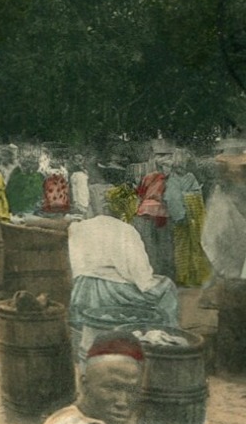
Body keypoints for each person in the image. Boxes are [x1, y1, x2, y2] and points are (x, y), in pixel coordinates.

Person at [66, 211, 179, 360]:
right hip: (111, 292)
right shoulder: (125, 230)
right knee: (167, 286)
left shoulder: (78, 227)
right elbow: (140, 273)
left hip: (83, 290)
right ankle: (166, 343)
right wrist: (151, 284)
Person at [36, 337, 144, 424]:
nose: (122, 402)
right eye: (111, 388)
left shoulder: (66, 415)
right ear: (84, 384)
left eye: (131, 390)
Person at [164, 150, 210, 287]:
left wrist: (191, 198)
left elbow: (197, 192)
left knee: (196, 245)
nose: (181, 167)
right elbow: (172, 199)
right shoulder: (172, 180)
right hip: (182, 217)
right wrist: (180, 215)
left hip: (194, 216)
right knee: (182, 246)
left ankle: (196, 275)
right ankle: (183, 276)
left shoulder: (190, 177)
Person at [132, 147, 175, 278]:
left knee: (150, 244)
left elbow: (139, 194)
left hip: (146, 212)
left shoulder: (149, 177)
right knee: (162, 244)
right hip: (159, 213)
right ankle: (161, 273)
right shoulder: (169, 179)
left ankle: (153, 272)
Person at [5, 152, 45, 216]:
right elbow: (11, 191)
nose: (29, 166)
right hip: (17, 208)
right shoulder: (17, 174)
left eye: (33, 163)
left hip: (33, 208)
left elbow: (41, 193)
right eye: (26, 164)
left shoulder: (40, 176)